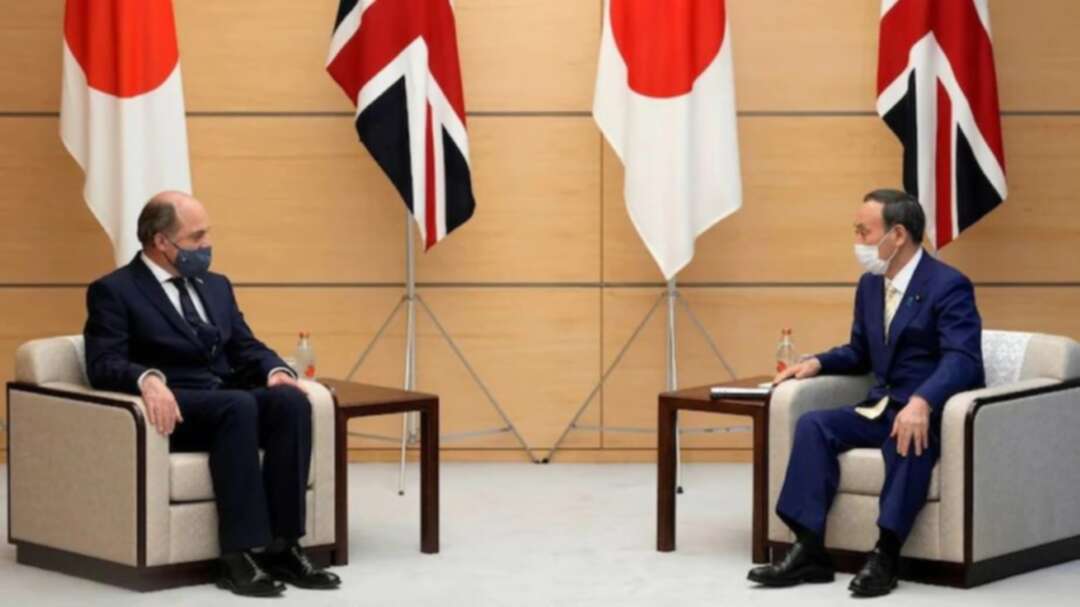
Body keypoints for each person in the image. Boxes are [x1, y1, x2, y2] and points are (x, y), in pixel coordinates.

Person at [83, 191, 341, 597]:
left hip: (227, 403)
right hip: (176, 410)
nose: (206, 245)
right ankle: (237, 555)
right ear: (161, 242)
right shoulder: (115, 291)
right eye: (196, 236)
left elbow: (245, 345)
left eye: (207, 235)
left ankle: (284, 546)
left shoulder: (215, 286)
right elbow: (102, 363)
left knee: (290, 400)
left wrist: (275, 370)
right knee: (237, 405)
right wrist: (147, 379)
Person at [747, 189, 984, 597]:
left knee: (909, 440)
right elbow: (860, 351)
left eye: (863, 231)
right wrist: (817, 363)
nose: (858, 242)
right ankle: (808, 549)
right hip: (881, 407)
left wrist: (923, 401)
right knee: (814, 426)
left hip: (926, 411)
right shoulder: (870, 286)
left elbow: (963, 359)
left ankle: (886, 554)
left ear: (897, 235)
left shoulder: (948, 285)